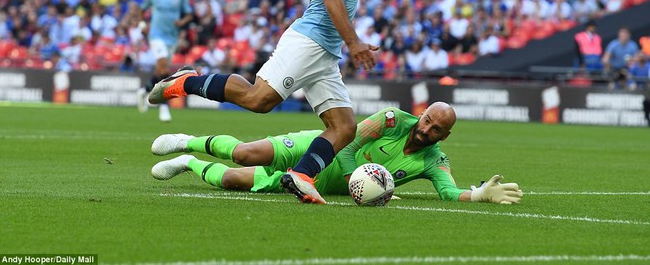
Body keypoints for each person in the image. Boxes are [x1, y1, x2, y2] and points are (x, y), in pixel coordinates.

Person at [148, 0, 392, 204]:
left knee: (344, 127)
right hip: (309, 41)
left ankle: (302, 176)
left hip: (325, 52)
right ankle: (185, 81)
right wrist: (354, 42)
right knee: (258, 99)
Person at [150, 102, 523, 204]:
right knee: (246, 154)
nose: (426, 129)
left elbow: (446, 191)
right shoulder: (391, 120)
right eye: (426, 120)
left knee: (231, 179)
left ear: (446, 135)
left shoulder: (433, 160)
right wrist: (351, 178)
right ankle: (188, 141)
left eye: (435, 129)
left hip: (316, 185)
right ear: (422, 114)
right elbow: (349, 142)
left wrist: (477, 194)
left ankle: (189, 163)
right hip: (319, 147)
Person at [137, 0, 193, 121]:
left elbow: (189, 14)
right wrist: (143, 25)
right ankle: (163, 106)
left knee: (161, 70)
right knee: (163, 67)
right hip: (156, 36)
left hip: (171, 38)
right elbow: (142, 10)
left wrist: (181, 21)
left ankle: (144, 90)